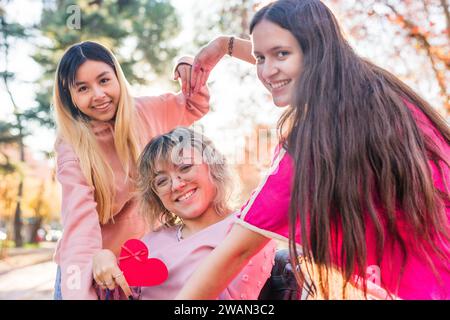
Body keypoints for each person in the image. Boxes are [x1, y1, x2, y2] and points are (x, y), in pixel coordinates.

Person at [175, 0, 450, 300]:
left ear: (316, 49)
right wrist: (224, 45)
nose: (266, 71)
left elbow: (236, 251)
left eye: (280, 54)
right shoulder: (385, 96)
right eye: (259, 58)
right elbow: (292, 56)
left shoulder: (312, 148)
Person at [53, 41, 210, 299]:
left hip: (148, 265)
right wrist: (80, 290)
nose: (98, 95)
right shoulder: (72, 145)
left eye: (104, 80)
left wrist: (187, 63)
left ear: (117, 77)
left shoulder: (146, 111)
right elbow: (79, 225)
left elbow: (194, 104)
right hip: (98, 271)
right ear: (70, 96)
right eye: (83, 88)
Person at [92, 127, 276, 299]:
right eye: (162, 181)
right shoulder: (151, 242)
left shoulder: (247, 231)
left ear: (212, 165)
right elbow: (122, 294)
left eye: (185, 167)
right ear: (156, 197)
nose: (177, 185)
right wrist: (104, 260)